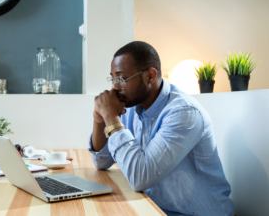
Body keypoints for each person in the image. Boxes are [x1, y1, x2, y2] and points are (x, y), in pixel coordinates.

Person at [89, 41, 234, 216]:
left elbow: (140, 178)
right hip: (154, 209)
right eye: (113, 79)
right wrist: (100, 119)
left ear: (150, 76)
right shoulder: (130, 107)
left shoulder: (183, 113)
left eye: (121, 79)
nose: (115, 87)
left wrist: (111, 119)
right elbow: (102, 161)